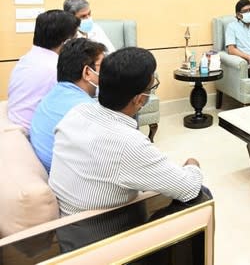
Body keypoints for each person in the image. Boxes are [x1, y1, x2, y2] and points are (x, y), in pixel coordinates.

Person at [49, 47, 204, 216]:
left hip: (69, 226)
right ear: (139, 99)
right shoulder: (128, 144)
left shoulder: (77, 112)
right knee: (202, 197)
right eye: (152, 88)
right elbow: (190, 188)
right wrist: (192, 163)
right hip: (103, 235)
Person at [30, 38, 106, 172]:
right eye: (103, 67)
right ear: (87, 72)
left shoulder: (52, 95)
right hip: (65, 183)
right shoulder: (85, 110)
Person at [7, 10, 80, 135]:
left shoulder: (27, 58)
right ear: (67, 42)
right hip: (33, 135)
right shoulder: (56, 68)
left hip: (16, 126)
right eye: (76, 37)